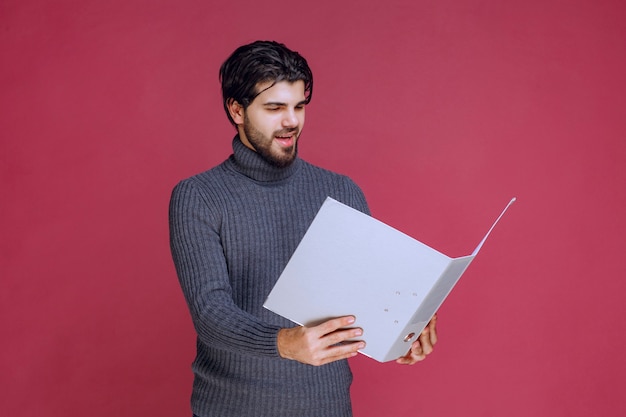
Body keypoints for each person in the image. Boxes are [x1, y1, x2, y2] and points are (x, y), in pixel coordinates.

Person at [169, 40, 438, 417]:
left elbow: (372, 299)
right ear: (237, 110)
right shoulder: (198, 196)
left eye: (298, 106)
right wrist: (283, 342)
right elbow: (210, 313)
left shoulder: (342, 191)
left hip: (326, 407)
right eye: (274, 108)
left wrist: (404, 329)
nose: (291, 120)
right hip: (232, 408)